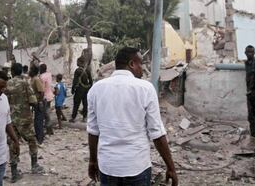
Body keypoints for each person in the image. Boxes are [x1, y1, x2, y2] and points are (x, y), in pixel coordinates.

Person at [87, 47, 178, 186]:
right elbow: (157, 133)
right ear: (132, 64)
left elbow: (93, 131)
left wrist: (93, 161)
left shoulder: (96, 89)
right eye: (141, 64)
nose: (143, 69)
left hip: (108, 167)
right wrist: (170, 167)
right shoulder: (145, 89)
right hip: (136, 166)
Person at [6, 63, 44, 183]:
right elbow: (33, 101)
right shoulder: (25, 83)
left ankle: (14, 172)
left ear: (12, 72)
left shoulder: (7, 84)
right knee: (32, 140)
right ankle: (34, 165)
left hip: (11, 120)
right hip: (25, 118)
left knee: (13, 143)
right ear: (21, 71)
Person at [244, 45, 255, 149]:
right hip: (249, 95)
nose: (250, 54)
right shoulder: (247, 64)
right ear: (245, 53)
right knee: (250, 117)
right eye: (248, 52)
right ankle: (253, 140)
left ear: (254, 53)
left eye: (252, 52)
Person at [71, 57, 92, 123]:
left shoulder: (77, 71)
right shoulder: (88, 70)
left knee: (76, 104)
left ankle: (73, 117)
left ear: (80, 62)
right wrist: (89, 88)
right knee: (85, 104)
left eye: (77, 62)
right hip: (86, 89)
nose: (76, 63)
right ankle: (84, 117)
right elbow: (91, 81)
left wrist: (73, 89)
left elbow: (75, 81)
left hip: (79, 90)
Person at [29, 66, 45, 144]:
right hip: (35, 103)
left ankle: (40, 138)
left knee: (38, 121)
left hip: (39, 102)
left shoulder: (36, 79)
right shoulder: (32, 79)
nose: (29, 71)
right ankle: (39, 136)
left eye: (30, 70)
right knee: (36, 121)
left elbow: (42, 91)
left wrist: (40, 101)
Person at [39, 63, 54, 135]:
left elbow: (42, 89)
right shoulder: (49, 74)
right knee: (47, 112)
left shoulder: (42, 77)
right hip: (50, 95)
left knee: (46, 113)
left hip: (45, 96)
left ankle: (49, 129)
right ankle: (49, 128)